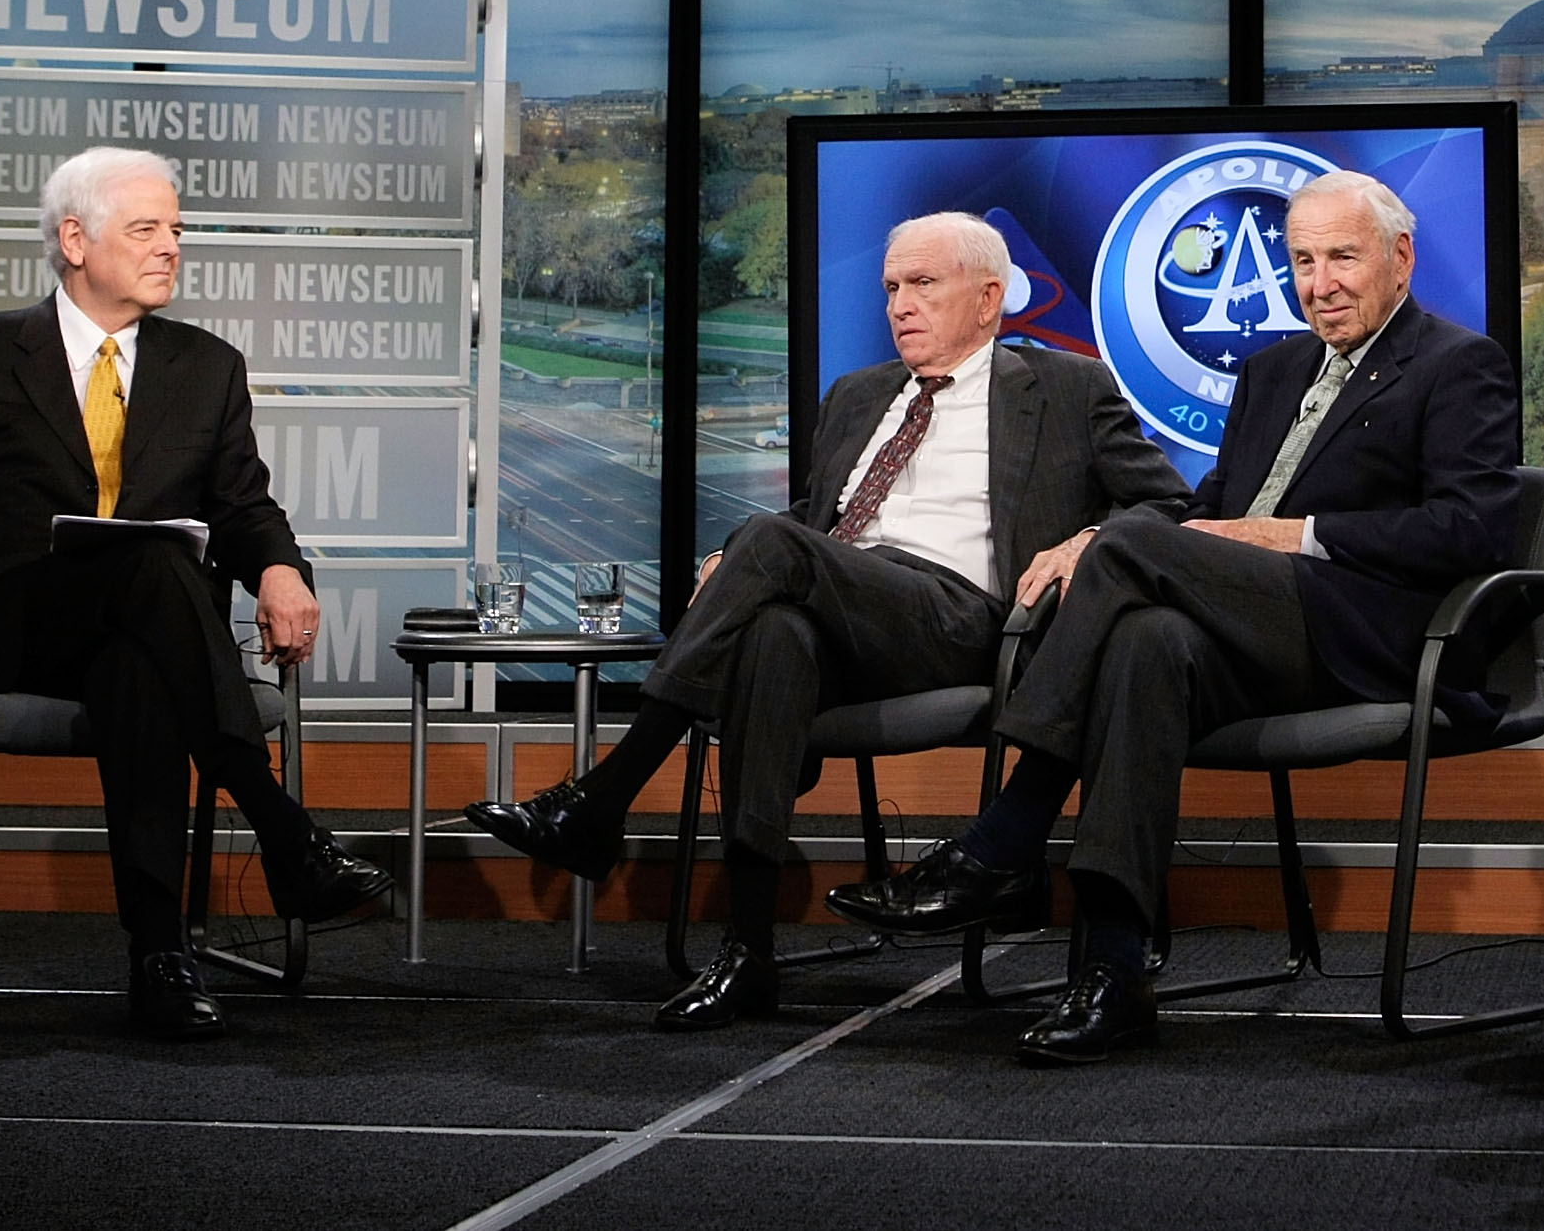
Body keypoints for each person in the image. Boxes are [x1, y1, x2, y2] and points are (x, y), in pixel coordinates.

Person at [830, 170, 1521, 1066]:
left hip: (1373, 636)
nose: (1321, 283)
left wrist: (1297, 534)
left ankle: (1006, 836)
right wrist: (1092, 539)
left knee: (1128, 550)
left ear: (1400, 257)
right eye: (1303, 261)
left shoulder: (1458, 363)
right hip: (1252, 634)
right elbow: (1204, 508)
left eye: (1343, 258)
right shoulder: (1273, 369)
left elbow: (1471, 528)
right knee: (1145, 642)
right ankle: (1115, 974)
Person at [465, 211, 1190, 1029]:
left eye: (923, 284)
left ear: (989, 299)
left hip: (961, 619)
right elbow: (817, 516)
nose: (900, 305)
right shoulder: (857, 395)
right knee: (773, 634)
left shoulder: (1066, 387)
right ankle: (748, 955)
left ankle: (605, 797)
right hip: (848, 609)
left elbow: (1167, 502)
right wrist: (735, 560)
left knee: (772, 549)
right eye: (890, 288)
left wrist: (1088, 540)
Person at [0, 147, 390, 1039]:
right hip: (8, 627)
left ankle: (160, 959)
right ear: (73, 239)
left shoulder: (207, 367)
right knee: (156, 569)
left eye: (176, 230)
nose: (171, 247)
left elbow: (244, 508)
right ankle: (283, 832)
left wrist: (283, 570)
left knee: (140, 653)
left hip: (144, 639)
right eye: (147, 230)